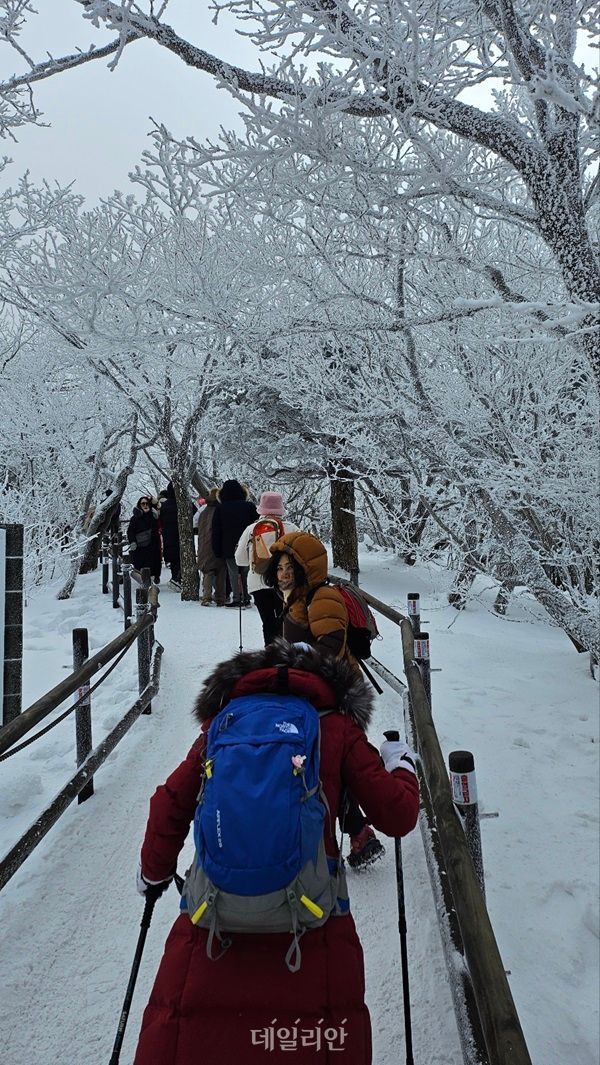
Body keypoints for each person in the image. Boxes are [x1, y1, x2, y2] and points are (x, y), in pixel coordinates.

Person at [134, 640, 419, 1065]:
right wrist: (402, 765)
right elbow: (398, 816)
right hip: (312, 923)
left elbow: (168, 804)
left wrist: (153, 876)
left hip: (213, 921)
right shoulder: (337, 727)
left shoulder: (223, 726)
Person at [264, 531, 385, 869]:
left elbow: (329, 647)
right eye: (280, 568)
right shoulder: (300, 598)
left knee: (330, 768)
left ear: (308, 568)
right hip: (314, 693)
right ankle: (356, 832)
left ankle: (355, 833)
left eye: (290, 568)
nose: (283, 574)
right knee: (327, 767)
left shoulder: (323, 598)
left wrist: (296, 661)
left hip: (335, 695)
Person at [234, 490, 299, 644]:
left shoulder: (251, 529)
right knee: (284, 622)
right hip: (285, 583)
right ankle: (285, 655)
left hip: (258, 583)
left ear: (261, 509)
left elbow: (240, 560)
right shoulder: (292, 529)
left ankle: (270, 657)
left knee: (268, 622)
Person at [211, 479, 258, 607]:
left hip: (228, 546)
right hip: (247, 545)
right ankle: (247, 596)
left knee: (233, 573)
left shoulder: (220, 508)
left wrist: (217, 549)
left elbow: (216, 530)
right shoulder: (249, 506)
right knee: (246, 572)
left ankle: (237, 598)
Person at [196, 488, 226, 606]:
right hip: (218, 544)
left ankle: (206, 597)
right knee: (221, 572)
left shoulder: (203, 512)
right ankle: (220, 598)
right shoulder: (221, 511)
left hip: (204, 545)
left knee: (207, 572)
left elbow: (196, 524)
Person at [126, 497, 161, 583]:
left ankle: (154, 577)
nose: (145, 505)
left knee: (154, 563)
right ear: (139, 505)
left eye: (147, 503)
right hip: (139, 547)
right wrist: (133, 541)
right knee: (141, 565)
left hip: (153, 545)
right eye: (143, 503)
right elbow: (130, 531)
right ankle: (144, 581)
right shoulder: (135, 518)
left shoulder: (154, 516)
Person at [159, 482, 181, 588]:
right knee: (181, 557)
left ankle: (174, 577)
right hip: (181, 535)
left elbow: (160, 520)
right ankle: (179, 577)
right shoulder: (184, 503)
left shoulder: (165, 506)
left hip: (168, 535)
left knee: (173, 558)